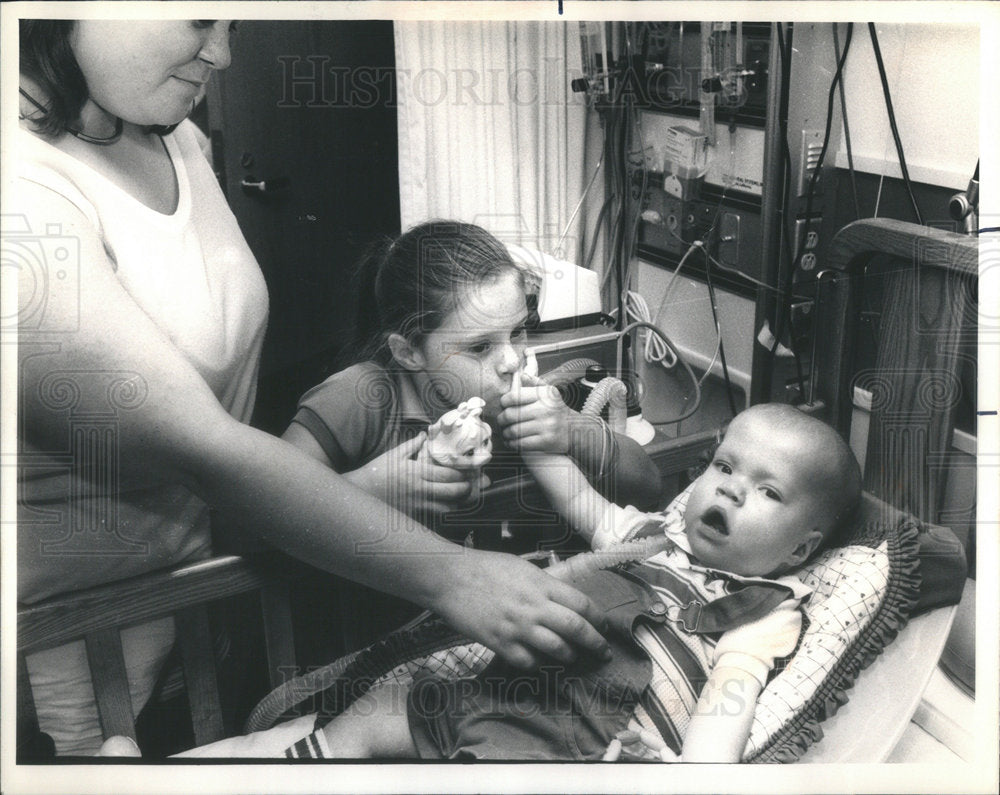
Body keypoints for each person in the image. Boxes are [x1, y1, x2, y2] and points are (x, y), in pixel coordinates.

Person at [13, 19, 611, 757]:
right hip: (78, 635)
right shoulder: (23, 192)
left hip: (214, 589)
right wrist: (455, 576)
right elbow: (204, 445)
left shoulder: (172, 131)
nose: (223, 53)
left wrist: (365, 488)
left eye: (231, 22)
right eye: (200, 18)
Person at [277, 403, 862, 762]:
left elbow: (728, 698)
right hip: (515, 694)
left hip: (587, 734)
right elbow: (580, 498)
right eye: (726, 467)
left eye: (769, 491)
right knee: (383, 708)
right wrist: (539, 438)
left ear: (803, 549)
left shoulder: (760, 608)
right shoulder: (648, 534)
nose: (732, 489)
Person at [281, 220, 661, 531]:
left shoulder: (518, 405)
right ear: (409, 352)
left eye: (517, 332)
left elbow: (648, 488)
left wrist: (574, 430)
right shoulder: (358, 399)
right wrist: (363, 490)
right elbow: (251, 518)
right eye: (480, 347)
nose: (511, 360)